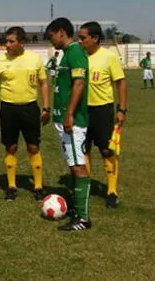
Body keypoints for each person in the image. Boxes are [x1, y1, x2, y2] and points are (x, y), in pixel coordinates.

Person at [0, 26, 51, 201]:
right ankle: (11, 186)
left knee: (33, 147)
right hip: (8, 109)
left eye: (11, 41)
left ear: (21, 43)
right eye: (6, 41)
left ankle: (38, 186)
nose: (7, 44)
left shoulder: (35, 59)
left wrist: (46, 108)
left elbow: (44, 84)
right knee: (11, 147)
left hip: (30, 108)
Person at [45, 17, 92, 231]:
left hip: (72, 121)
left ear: (61, 32)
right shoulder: (67, 55)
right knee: (73, 164)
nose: (51, 40)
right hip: (63, 120)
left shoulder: (75, 52)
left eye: (51, 36)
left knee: (78, 165)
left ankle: (82, 218)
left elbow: (79, 83)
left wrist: (70, 114)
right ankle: (77, 209)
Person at [79, 21, 128, 209]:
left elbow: (121, 83)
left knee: (107, 150)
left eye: (83, 38)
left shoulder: (109, 57)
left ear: (95, 38)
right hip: (82, 110)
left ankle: (112, 191)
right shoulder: (79, 57)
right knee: (84, 149)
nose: (80, 41)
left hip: (102, 109)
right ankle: (86, 186)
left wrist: (122, 109)